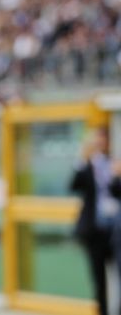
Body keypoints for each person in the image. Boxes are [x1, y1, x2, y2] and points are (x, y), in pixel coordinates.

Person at [72, 127, 117, 315]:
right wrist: (83, 159)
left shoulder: (114, 163)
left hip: (114, 230)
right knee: (99, 279)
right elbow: (74, 185)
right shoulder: (88, 165)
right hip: (95, 230)